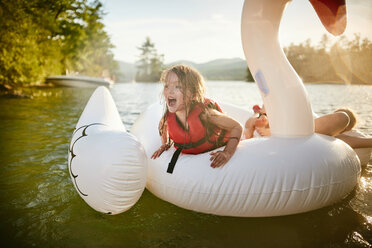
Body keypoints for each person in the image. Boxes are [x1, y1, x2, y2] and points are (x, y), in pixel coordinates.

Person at [151, 65, 243, 168]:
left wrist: (227, 152)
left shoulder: (206, 115)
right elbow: (162, 125)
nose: (170, 91)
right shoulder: (168, 117)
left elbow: (237, 126)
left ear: (193, 94)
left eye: (178, 87)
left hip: (217, 145)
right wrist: (165, 143)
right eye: (166, 86)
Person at [244, 105, 372, 149]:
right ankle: (259, 114)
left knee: (343, 119)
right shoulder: (317, 122)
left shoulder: (340, 139)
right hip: (296, 130)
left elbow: (357, 142)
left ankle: (259, 114)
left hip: (298, 134)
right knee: (343, 118)